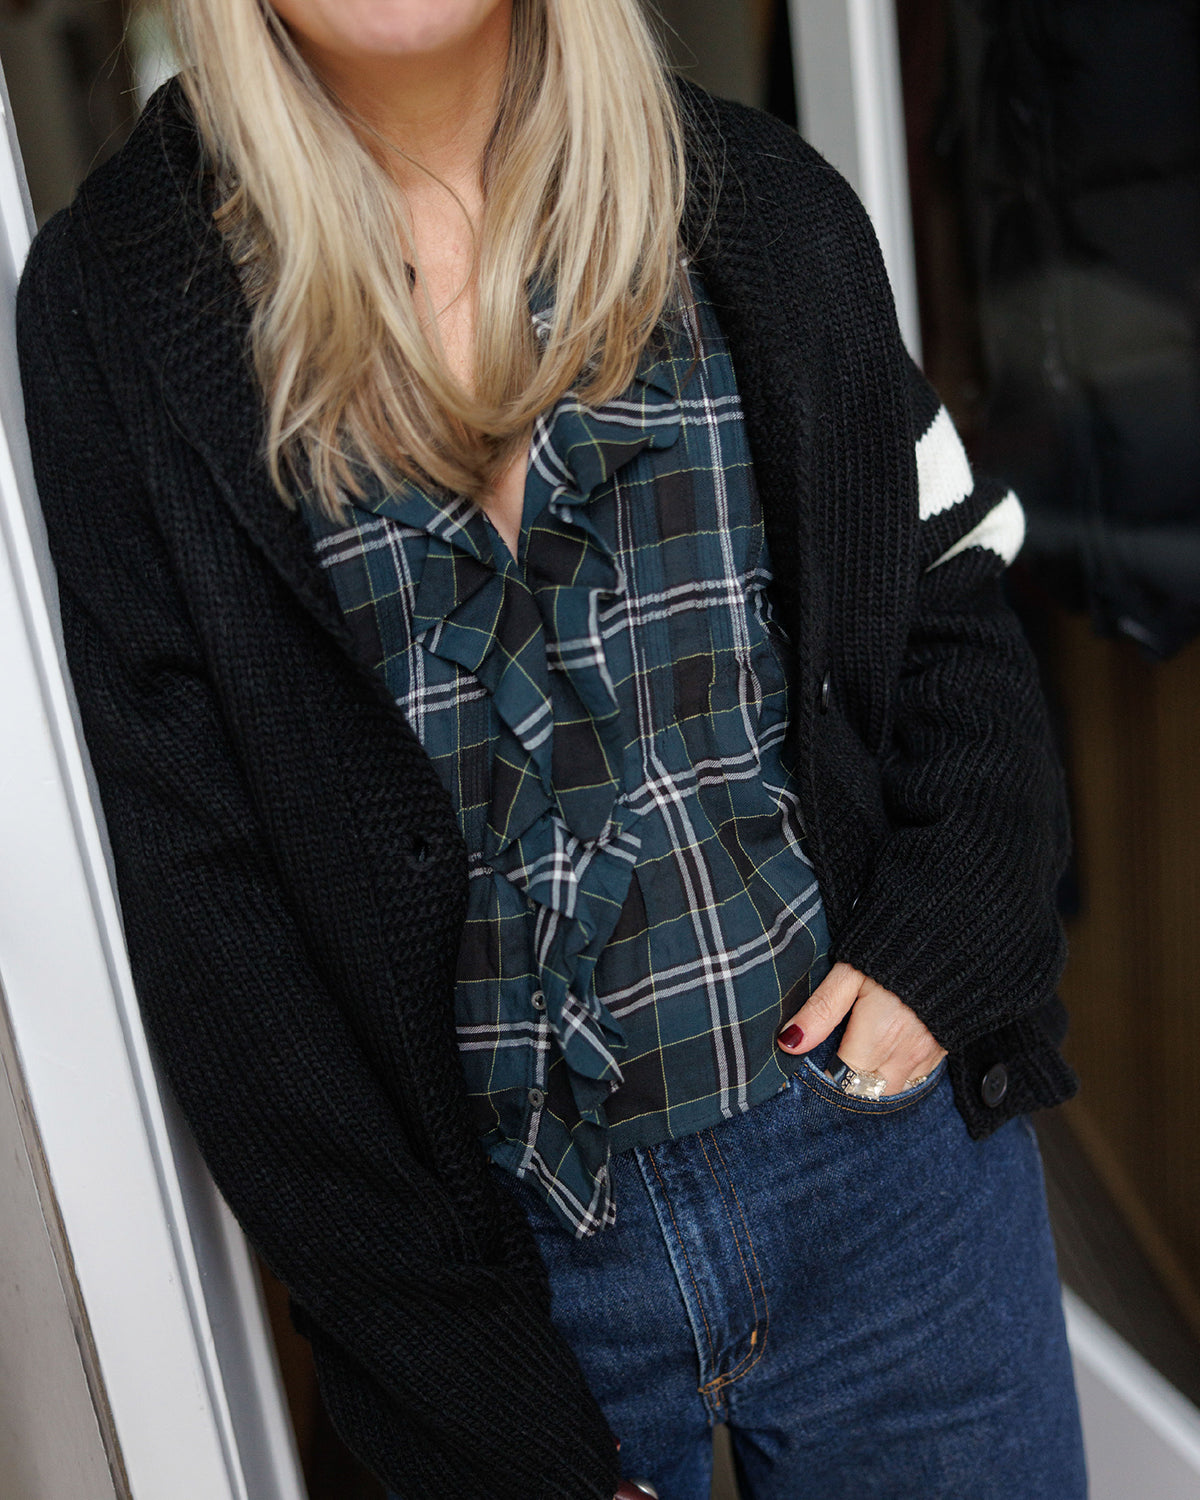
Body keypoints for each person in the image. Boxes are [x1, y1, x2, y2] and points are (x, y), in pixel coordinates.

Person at [14, 1, 1088, 1496]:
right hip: (509, 1287)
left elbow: (955, 602)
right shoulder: (116, 312)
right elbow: (215, 920)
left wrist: (940, 956)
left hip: (883, 1179)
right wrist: (476, 1401)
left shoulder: (759, 200)